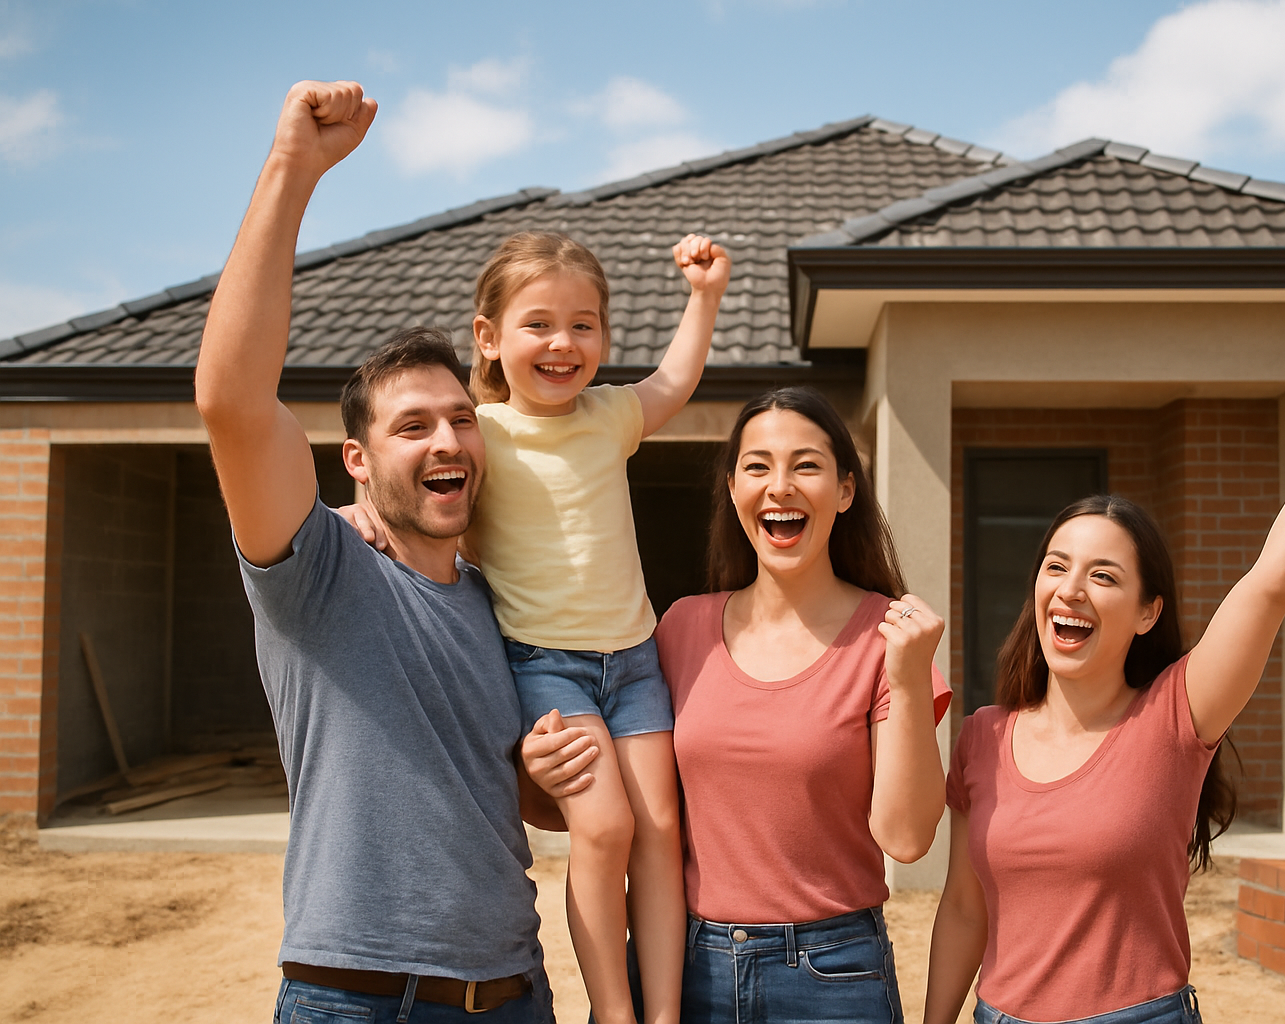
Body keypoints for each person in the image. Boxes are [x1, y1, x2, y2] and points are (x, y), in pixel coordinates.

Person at [197, 79, 583, 1024]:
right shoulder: (318, 573)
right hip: (358, 998)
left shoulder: (503, 598)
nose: (447, 439)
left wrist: (548, 773)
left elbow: (521, 803)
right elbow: (233, 401)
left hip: (513, 991)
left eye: (461, 418)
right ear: (358, 462)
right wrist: (293, 169)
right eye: (413, 427)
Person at [923, 332, 1285, 1024]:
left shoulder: (1177, 714)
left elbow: (1274, 580)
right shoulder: (981, 737)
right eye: (1057, 566)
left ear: (1148, 613)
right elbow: (965, 908)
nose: (1071, 590)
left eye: (1104, 576)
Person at [347, 228, 730, 1024]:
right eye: (539, 324)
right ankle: (614, 1011)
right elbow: (412, 470)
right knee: (606, 826)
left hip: (634, 662)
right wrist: (360, 508)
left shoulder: (610, 415)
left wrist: (705, 296)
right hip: (545, 664)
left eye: (584, 324)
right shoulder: (480, 431)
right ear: (488, 337)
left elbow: (675, 378)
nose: (564, 342)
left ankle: (662, 1012)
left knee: (663, 829)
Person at [650, 386, 952, 1024]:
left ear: (845, 491)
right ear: (733, 488)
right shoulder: (680, 630)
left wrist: (906, 678)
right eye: (757, 466)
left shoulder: (891, 639)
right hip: (690, 964)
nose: (780, 486)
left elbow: (905, 838)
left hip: (832, 975)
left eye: (806, 465)